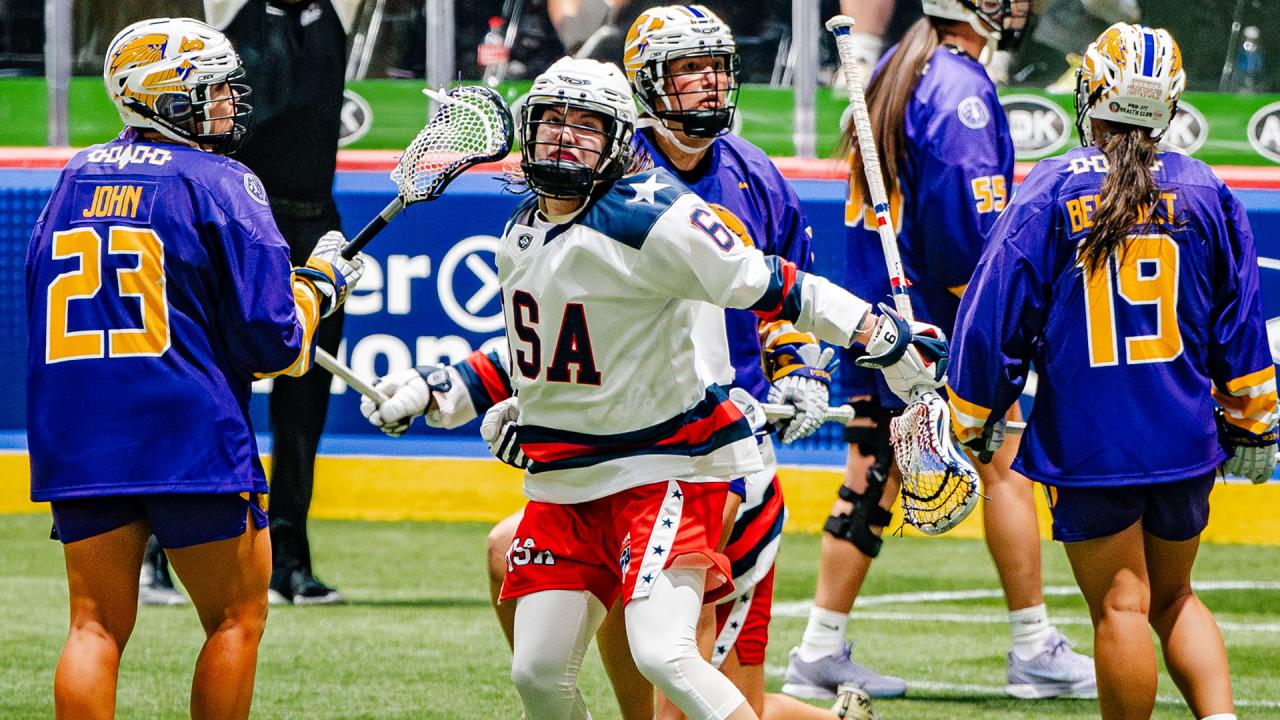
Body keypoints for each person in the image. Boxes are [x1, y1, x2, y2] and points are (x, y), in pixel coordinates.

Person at [365, 55, 946, 720]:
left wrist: (878, 334)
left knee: (664, 655)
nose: (563, 136)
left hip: (669, 466)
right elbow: (547, 348)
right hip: (571, 480)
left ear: (618, 138)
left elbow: (775, 283)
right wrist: (438, 390)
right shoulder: (523, 229)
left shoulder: (656, 214)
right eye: (550, 120)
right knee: (537, 670)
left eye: (585, 124)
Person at [25, 17, 363, 720]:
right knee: (237, 618)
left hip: (81, 429)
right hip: (190, 430)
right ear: (159, 98)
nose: (228, 104)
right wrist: (320, 283)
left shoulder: (70, 177)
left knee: (93, 627)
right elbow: (272, 342)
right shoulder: (222, 180)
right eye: (208, 92)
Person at [948, 22, 1276, 720]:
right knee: (1175, 597)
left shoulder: (1051, 188)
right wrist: (1255, 421)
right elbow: (1240, 324)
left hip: (1090, 441)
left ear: (1093, 93)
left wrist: (970, 416)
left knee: (1121, 606)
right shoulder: (1207, 188)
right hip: (1185, 438)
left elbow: (994, 317)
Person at [784, 0, 1096, 702]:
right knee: (1005, 467)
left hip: (877, 320)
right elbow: (965, 242)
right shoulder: (959, 89)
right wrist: (1000, 324)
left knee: (872, 475)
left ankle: (817, 650)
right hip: (938, 327)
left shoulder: (902, 63)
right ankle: (1034, 646)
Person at [212, 0, 352, 605]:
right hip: (237, 225)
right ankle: (168, 551)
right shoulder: (229, 8)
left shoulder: (336, 10)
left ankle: (290, 560)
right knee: (214, 395)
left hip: (315, 227)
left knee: (303, 411)